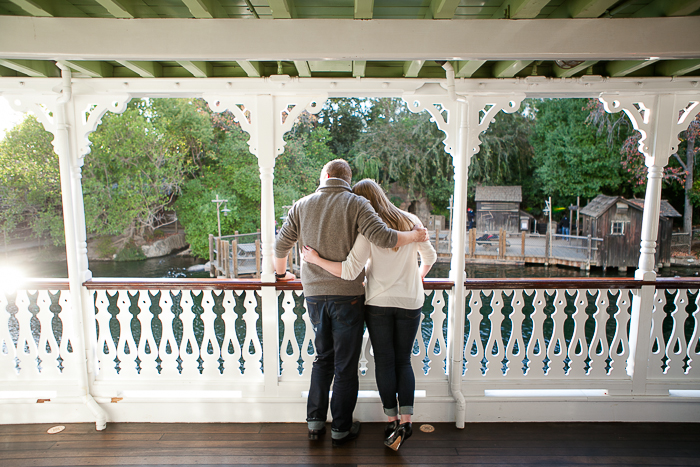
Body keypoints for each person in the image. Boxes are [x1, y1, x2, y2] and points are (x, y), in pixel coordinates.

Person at [274, 160, 428, 447]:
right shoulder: (357, 204)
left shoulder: (301, 204)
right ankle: (341, 429)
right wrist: (415, 236)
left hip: (315, 296)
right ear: (347, 179)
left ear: (326, 175)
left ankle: (315, 422)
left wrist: (281, 274)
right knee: (345, 366)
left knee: (322, 360)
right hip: (350, 296)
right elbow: (384, 237)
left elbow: (280, 245)